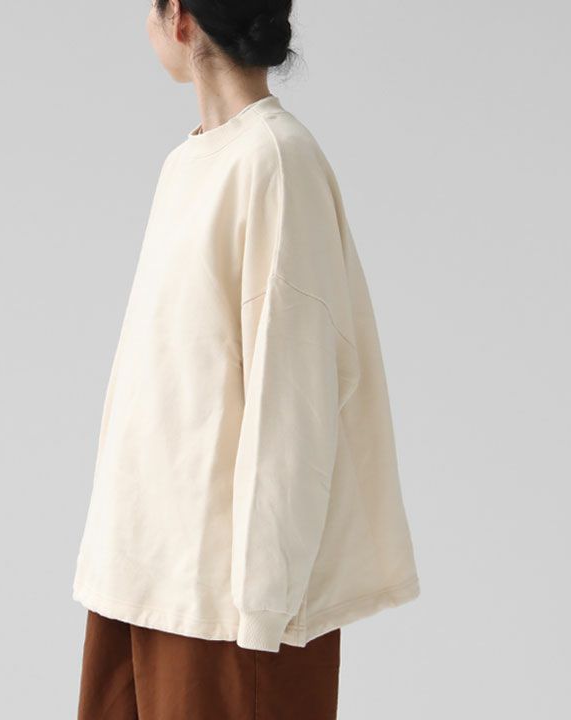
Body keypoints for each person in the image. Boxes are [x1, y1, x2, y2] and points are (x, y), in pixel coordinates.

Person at [73, 1, 420, 718]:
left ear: (180, 19)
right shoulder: (189, 162)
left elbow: (295, 396)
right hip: (142, 575)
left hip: (226, 606)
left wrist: (264, 609)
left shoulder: (276, 161)